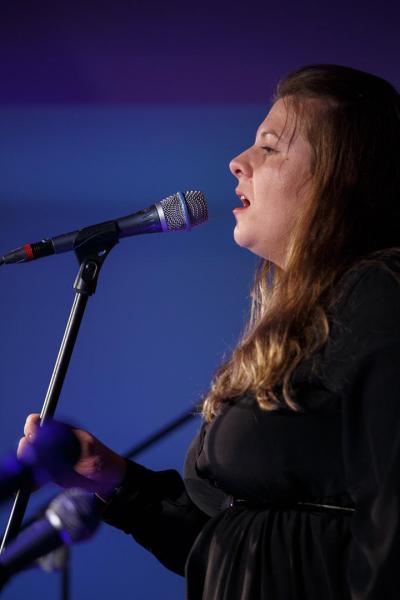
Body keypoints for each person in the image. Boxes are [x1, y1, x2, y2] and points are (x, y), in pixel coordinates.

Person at [19, 64, 400, 599]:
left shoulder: (379, 295)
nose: (238, 162)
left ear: (342, 176)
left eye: (269, 147)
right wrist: (114, 480)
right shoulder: (298, 325)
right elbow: (232, 547)